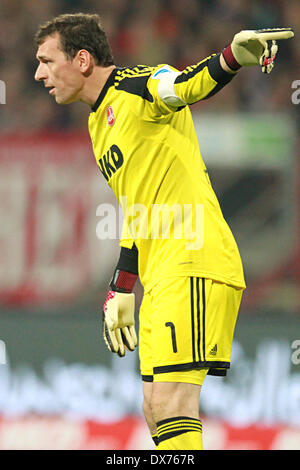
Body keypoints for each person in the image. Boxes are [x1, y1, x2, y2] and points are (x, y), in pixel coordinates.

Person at [34, 13, 294, 450]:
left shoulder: (140, 85)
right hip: (160, 275)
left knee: (173, 402)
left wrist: (231, 57)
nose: (39, 73)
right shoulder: (100, 123)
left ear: (81, 60)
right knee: (156, 409)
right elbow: (138, 208)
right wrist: (122, 285)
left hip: (193, 260)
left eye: (46, 60)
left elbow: (186, 85)